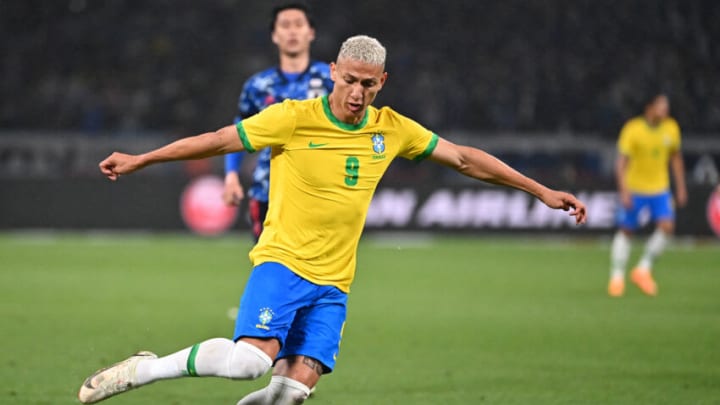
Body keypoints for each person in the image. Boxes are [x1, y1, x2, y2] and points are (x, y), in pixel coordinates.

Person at [80, 35, 587, 404]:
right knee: (247, 364)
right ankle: (147, 370)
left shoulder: (393, 130)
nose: (357, 92)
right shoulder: (293, 118)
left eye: (368, 84)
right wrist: (142, 159)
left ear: (381, 82)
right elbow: (216, 140)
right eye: (348, 80)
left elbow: (463, 159)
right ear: (332, 72)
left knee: (291, 393)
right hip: (283, 262)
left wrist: (540, 191)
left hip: (334, 283)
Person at [223, 3, 333, 242]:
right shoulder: (258, 86)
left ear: (311, 32)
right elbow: (240, 130)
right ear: (275, 35)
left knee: (319, 274)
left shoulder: (332, 80)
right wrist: (231, 174)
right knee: (267, 270)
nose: (292, 31)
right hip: (268, 192)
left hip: (321, 194)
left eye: (298, 25)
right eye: (285, 25)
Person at [607, 93, 687, 297]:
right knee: (626, 230)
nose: (665, 110)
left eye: (666, 107)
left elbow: (676, 159)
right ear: (649, 108)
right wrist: (624, 191)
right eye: (661, 106)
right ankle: (616, 278)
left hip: (660, 189)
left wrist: (681, 187)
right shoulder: (633, 129)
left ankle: (643, 269)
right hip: (635, 189)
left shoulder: (671, 128)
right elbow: (621, 164)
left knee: (667, 227)